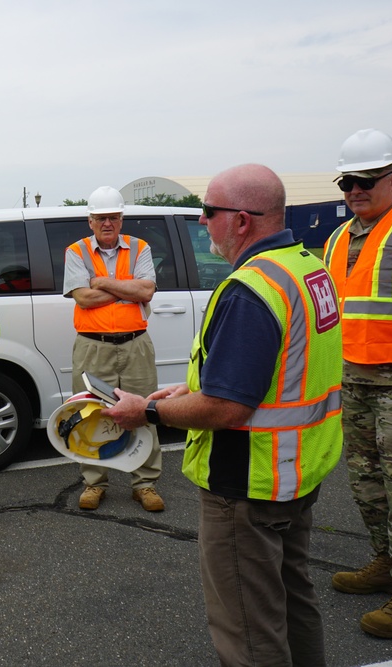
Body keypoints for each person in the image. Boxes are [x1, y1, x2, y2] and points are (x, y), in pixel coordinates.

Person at [104, 164, 342, 666]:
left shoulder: (250, 289)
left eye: (208, 212)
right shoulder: (306, 267)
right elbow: (281, 370)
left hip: (248, 481)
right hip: (297, 472)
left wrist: (147, 409)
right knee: (294, 601)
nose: (202, 221)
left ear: (240, 220)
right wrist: (191, 387)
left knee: (249, 633)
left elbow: (228, 406)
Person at [323, 128, 392, 638]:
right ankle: (384, 562)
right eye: (347, 182)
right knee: (367, 481)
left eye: (367, 180)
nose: (355, 190)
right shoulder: (337, 239)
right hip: (352, 381)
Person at [63, 186, 164, 511]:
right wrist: (128, 289)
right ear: (90, 221)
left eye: (114, 217)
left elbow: (146, 291)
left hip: (135, 344)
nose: (108, 223)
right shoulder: (76, 251)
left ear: (121, 219)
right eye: (101, 218)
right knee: (90, 414)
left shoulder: (140, 247)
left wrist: (102, 281)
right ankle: (94, 483)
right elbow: (83, 298)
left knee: (145, 413)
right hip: (93, 346)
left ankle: (145, 485)